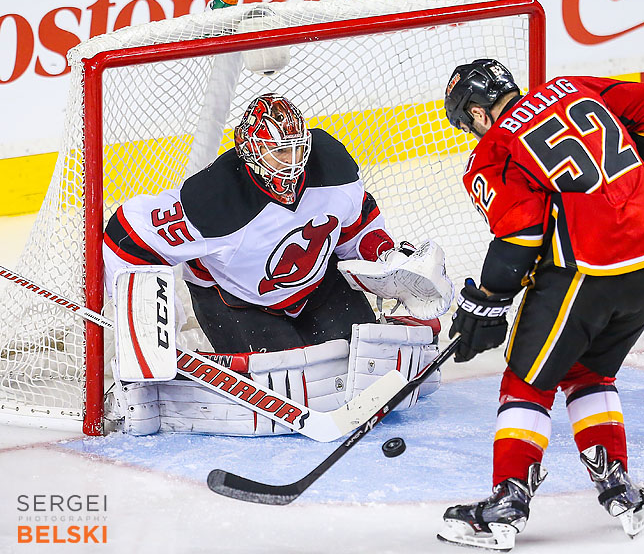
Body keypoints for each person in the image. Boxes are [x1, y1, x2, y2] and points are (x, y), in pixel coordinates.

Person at [436, 59, 644, 550]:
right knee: (587, 372)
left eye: (468, 123)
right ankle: (618, 487)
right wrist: (601, 189)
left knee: (526, 382)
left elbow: (521, 237)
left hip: (587, 272)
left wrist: (486, 302)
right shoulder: (574, 87)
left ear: (479, 114)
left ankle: (506, 504)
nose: (472, 133)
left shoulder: (494, 149)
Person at [102, 92, 448, 436]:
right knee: (289, 391)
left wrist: (385, 257)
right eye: (281, 151)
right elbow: (127, 236)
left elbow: (356, 222)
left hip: (318, 287)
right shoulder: (216, 200)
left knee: (365, 369)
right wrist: (148, 322)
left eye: (299, 147)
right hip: (237, 303)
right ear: (250, 152)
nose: (294, 160)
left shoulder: (332, 166)